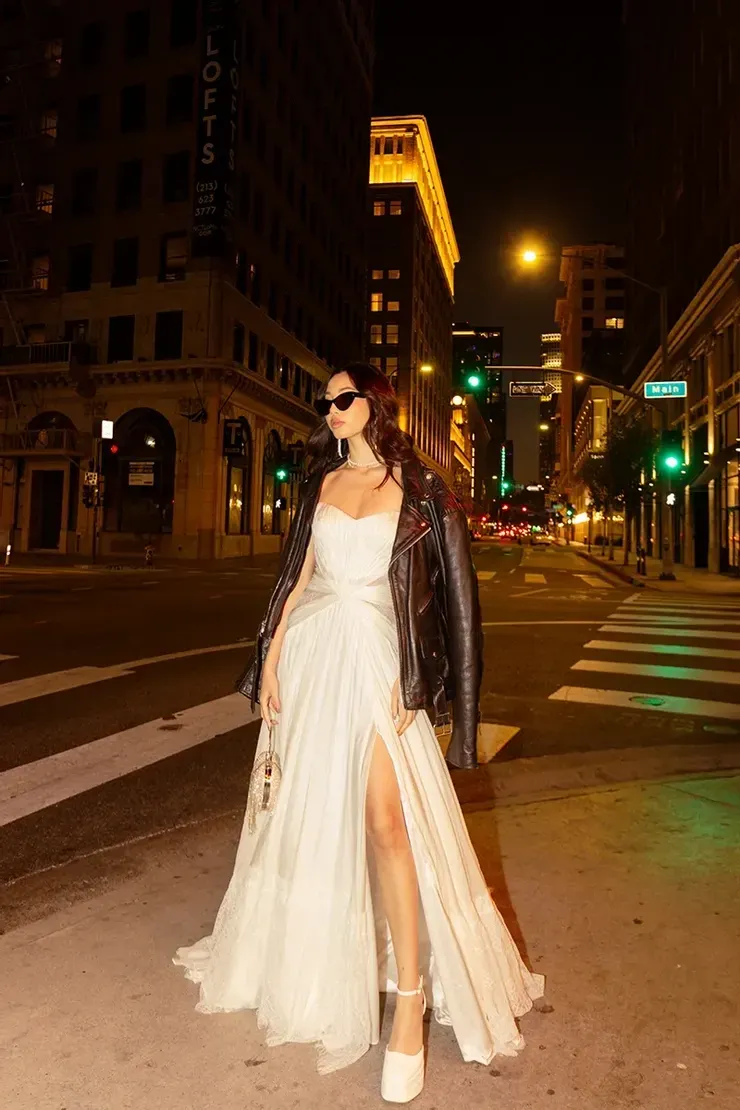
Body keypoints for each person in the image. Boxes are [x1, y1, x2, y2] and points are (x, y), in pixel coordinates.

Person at [174, 363, 544, 1104]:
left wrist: (431, 692)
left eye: (344, 398)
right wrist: (270, 663)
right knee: (312, 820)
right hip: (313, 661)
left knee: (388, 826)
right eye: (326, 400)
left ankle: (410, 998)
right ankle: (317, 958)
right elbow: (295, 579)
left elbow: (457, 609)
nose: (331, 409)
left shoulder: (421, 492)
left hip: (380, 666)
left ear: (375, 405)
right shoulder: (320, 483)